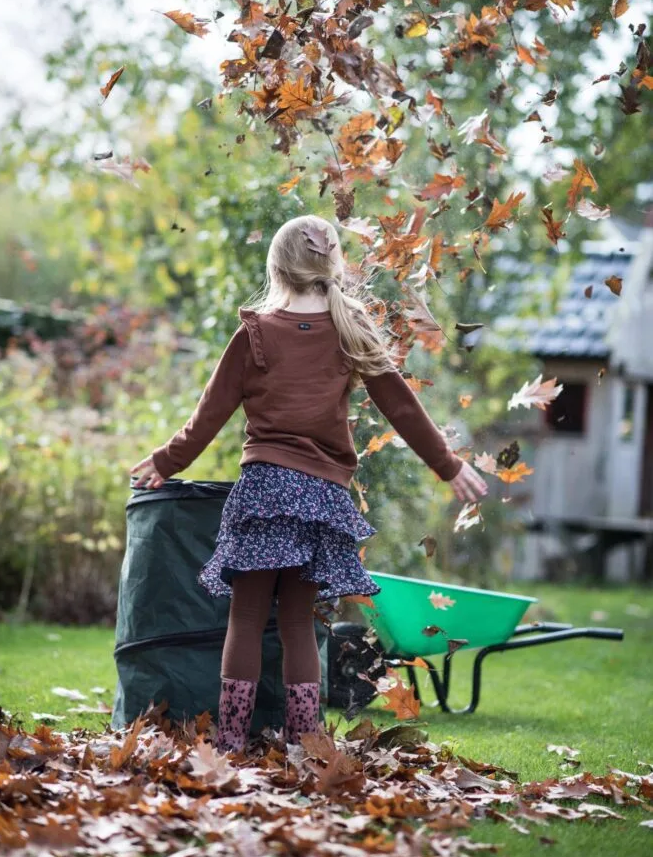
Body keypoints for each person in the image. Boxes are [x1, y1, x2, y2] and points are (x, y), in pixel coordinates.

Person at [130, 214, 487, 753]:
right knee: (298, 623)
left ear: (276, 268)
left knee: (246, 618)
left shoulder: (254, 334)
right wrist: (449, 464)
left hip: (264, 493)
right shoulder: (350, 329)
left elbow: (208, 416)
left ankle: (230, 742)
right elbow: (402, 408)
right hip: (321, 499)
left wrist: (164, 462)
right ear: (333, 264)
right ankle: (306, 743)